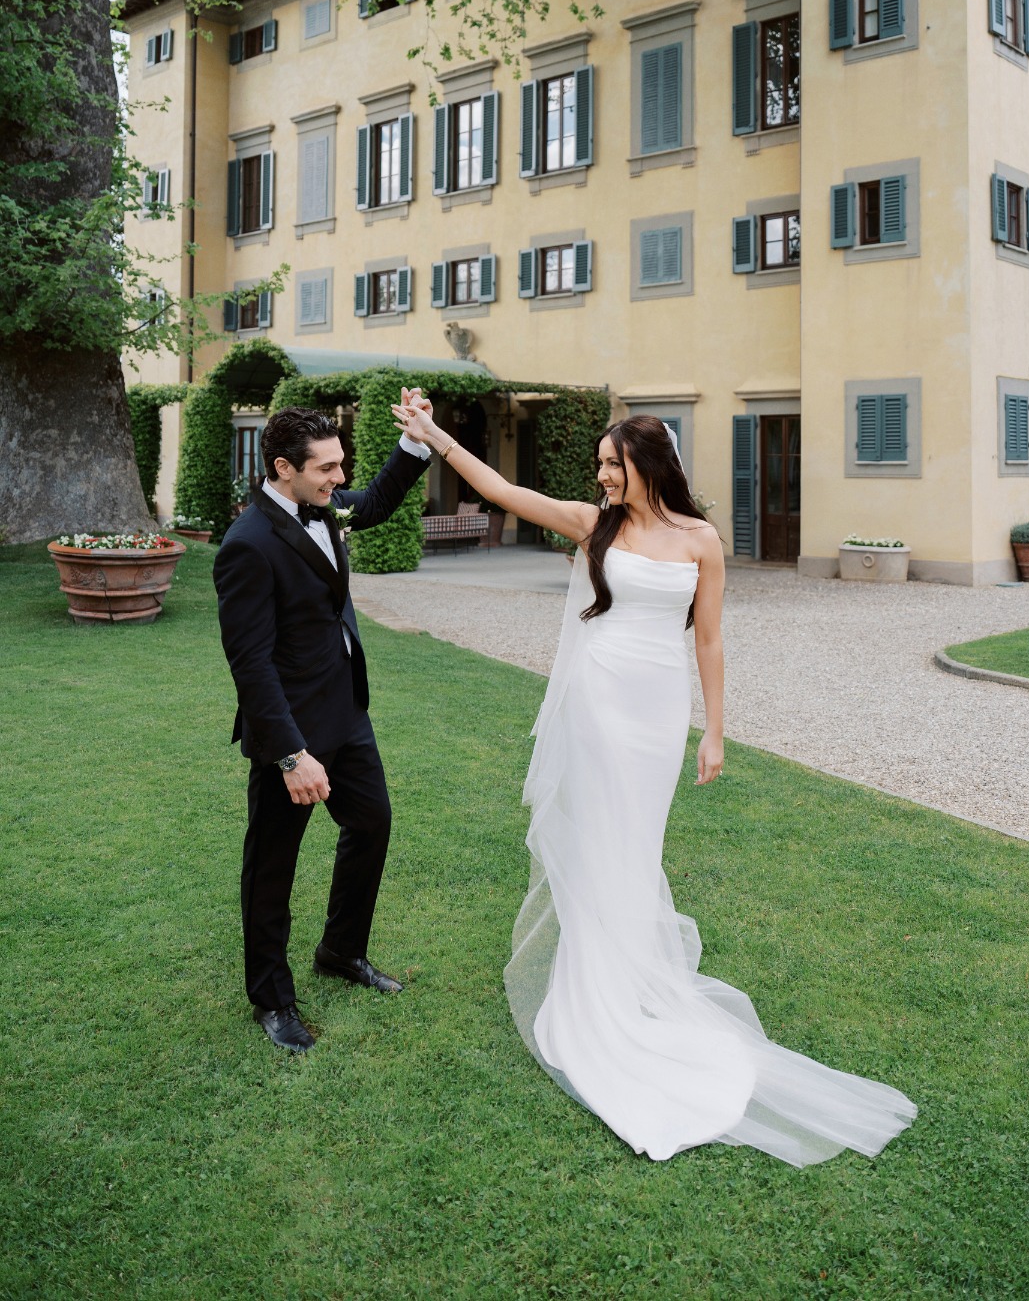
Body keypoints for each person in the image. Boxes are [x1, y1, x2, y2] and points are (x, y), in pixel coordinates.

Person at [394, 404, 917, 1168]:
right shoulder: (592, 524)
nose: (603, 476)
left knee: (638, 844)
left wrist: (713, 728)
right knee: (602, 840)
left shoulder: (702, 541)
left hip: (658, 710)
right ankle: (597, 989)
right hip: (600, 702)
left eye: (614, 463)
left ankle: (634, 981)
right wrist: (435, 438)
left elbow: (709, 637)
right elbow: (501, 488)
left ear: (651, 464)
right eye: (600, 465)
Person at [213, 395, 434, 1053]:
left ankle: (341, 951)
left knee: (372, 824)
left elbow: (370, 504)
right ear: (283, 468)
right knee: (272, 866)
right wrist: (289, 756)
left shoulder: (323, 504)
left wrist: (416, 444)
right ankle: (272, 1000)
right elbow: (250, 664)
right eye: (327, 469)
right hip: (293, 735)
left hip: (347, 712)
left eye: (341, 466)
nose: (341, 479)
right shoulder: (247, 545)